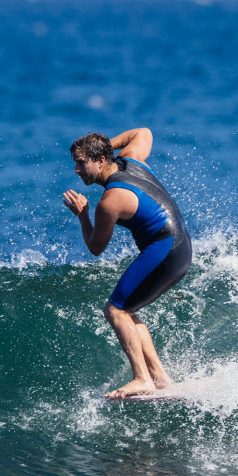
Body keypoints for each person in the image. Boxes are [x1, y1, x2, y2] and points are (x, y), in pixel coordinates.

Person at [63, 128, 192, 399]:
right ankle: (158, 378)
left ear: (100, 161)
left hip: (167, 249)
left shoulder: (110, 201)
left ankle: (141, 378)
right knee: (127, 310)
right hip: (180, 245)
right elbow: (143, 132)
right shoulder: (131, 159)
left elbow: (96, 248)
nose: (76, 169)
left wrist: (83, 215)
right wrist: (103, 147)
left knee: (115, 311)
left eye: (81, 162)